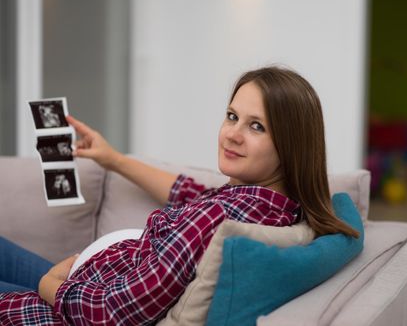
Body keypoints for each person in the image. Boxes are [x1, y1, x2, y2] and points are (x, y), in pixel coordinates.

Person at [0, 66, 359, 325]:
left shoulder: (219, 216)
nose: (232, 134)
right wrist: (114, 160)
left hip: (68, 305)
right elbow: (188, 193)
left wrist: (52, 285)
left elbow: (110, 314)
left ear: (291, 145)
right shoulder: (270, 203)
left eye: (256, 126)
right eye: (232, 116)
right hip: (86, 281)